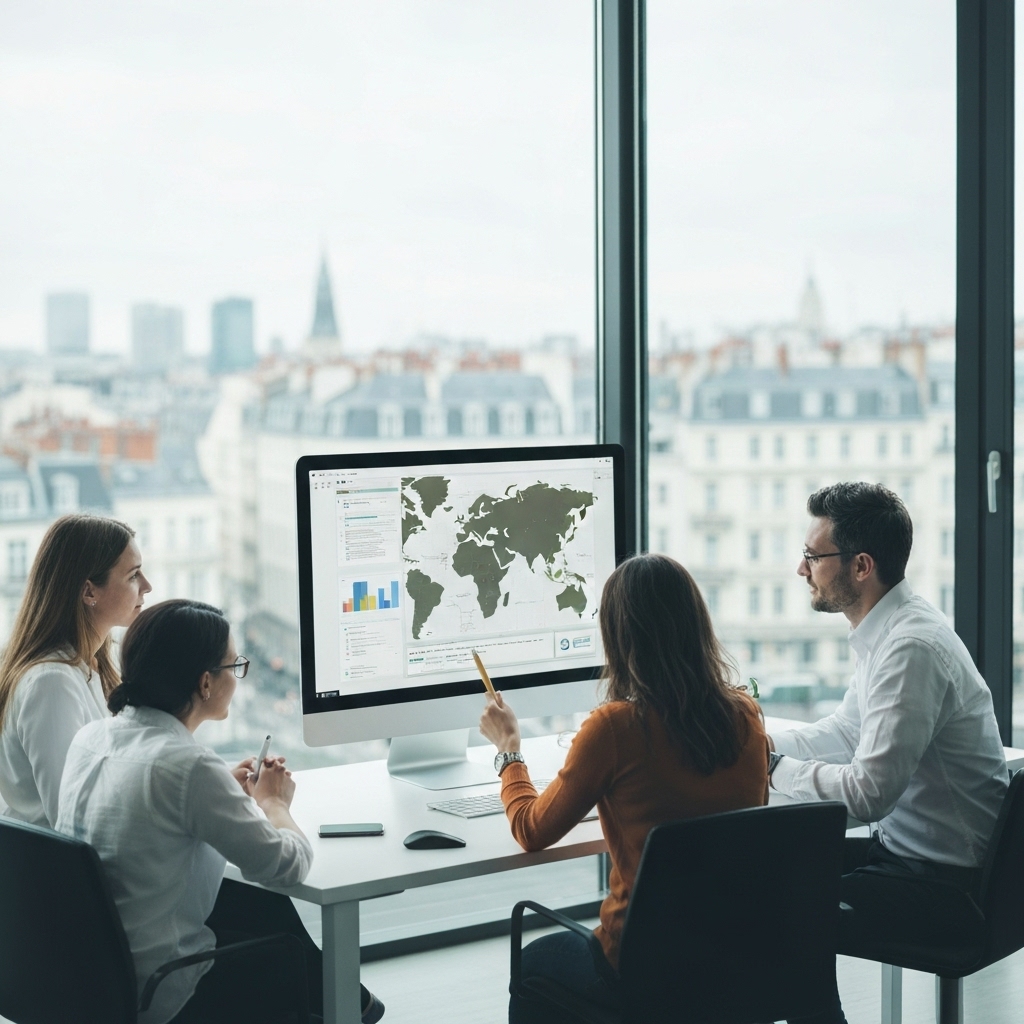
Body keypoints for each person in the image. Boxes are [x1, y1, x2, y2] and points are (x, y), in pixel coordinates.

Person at [56, 599, 385, 1024]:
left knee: (265, 912)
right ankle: (347, 1005)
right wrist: (273, 803)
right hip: (162, 989)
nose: (239, 676)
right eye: (235, 666)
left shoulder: (92, 737)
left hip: (95, 978)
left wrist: (221, 791)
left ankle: (353, 1005)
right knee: (278, 930)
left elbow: (149, 806)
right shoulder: (188, 766)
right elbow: (287, 867)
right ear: (205, 683)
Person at [478, 553, 769, 1024]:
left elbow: (531, 830)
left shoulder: (615, 728)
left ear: (620, 638)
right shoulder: (746, 715)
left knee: (534, 964)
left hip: (638, 963)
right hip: (731, 955)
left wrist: (509, 750)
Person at [768, 482, 1009, 1024]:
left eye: (812, 556)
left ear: (861, 566)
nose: (801, 569)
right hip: (912, 862)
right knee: (771, 871)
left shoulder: (909, 648)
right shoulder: (893, 628)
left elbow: (868, 795)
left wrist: (772, 770)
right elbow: (846, 733)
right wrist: (754, 747)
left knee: (777, 909)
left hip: (945, 888)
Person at [0, 513, 152, 828]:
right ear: (89, 592)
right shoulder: (51, 683)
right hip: (59, 873)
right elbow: (70, 814)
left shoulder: (89, 666)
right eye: (133, 575)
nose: (147, 586)